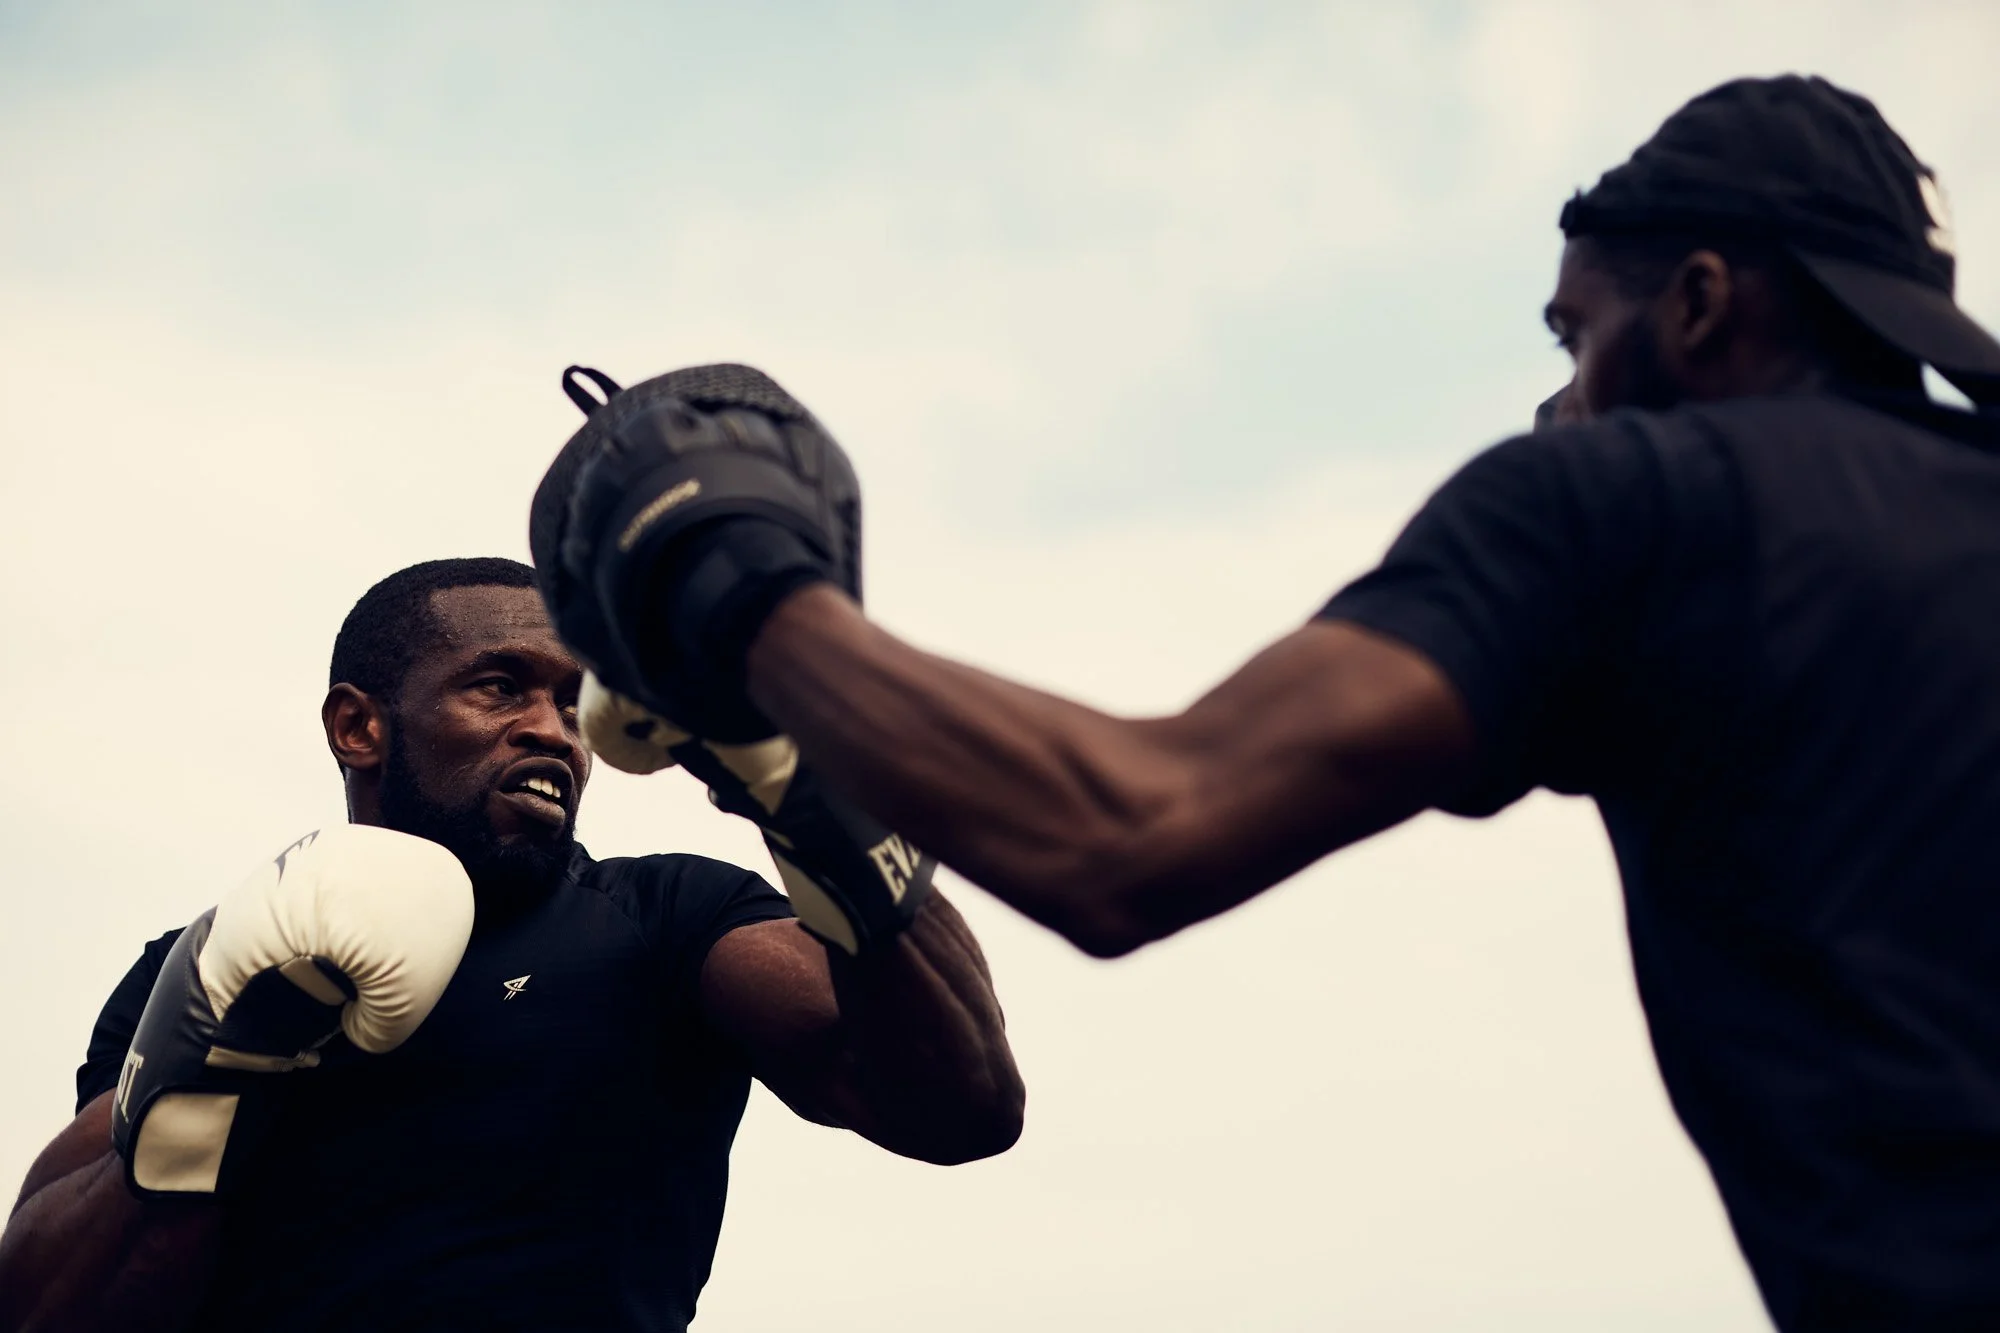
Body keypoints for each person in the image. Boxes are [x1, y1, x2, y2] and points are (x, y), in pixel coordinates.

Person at [525, 77, 2000, 1331]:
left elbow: (1127, 833)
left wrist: (734, 588)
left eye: (1572, 340)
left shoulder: (1641, 497)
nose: (1557, 405)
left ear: (1697, 305)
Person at [0, 557, 1024, 1333]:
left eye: (572, 702)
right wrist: (209, 1087)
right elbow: (46, 1308)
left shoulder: (665, 918)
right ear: (360, 728)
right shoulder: (210, 963)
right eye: (500, 687)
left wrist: (811, 793)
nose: (556, 730)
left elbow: (958, 1105)